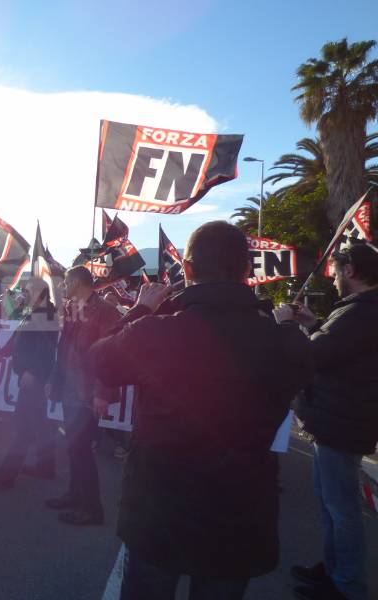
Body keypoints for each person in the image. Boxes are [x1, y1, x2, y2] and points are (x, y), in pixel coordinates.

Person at [92, 221, 313, 600]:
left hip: (159, 508)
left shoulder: (155, 331)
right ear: (247, 270)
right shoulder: (284, 343)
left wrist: (142, 309)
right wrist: (290, 328)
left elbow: (98, 361)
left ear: (188, 270)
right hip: (240, 512)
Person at [275, 242, 378, 600]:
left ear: (350, 271)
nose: (332, 277)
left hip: (340, 423)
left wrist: (287, 326)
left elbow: (312, 355)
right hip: (336, 420)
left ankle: (348, 585)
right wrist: (313, 322)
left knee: (340, 507)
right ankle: (336, 572)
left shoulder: (360, 311)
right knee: (331, 503)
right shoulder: (358, 310)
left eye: (335, 270)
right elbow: (339, 350)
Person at [45, 265, 120, 526]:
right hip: (69, 389)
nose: (63, 287)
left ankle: (91, 509)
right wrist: (54, 381)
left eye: (66, 282)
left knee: (82, 450)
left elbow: (111, 356)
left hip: (87, 393)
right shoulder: (71, 309)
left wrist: (102, 393)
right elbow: (63, 350)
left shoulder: (107, 312)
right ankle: (75, 496)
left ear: (76, 282)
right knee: (73, 447)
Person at [0, 277, 59, 489]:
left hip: (33, 378)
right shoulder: (33, 312)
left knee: (22, 425)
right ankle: (46, 467)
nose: (24, 295)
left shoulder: (46, 315)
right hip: (31, 376)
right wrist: (2, 353)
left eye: (28, 292)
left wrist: (33, 371)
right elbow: (19, 336)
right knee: (39, 423)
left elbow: (46, 348)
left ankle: (6, 474)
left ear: (40, 294)